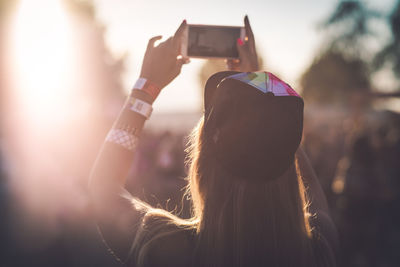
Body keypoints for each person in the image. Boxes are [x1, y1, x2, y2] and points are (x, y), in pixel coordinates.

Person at [89, 16, 339, 267]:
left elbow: (102, 186)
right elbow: (282, 142)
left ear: (200, 168)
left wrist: (146, 88)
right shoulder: (318, 249)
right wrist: (258, 94)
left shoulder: (169, 249)